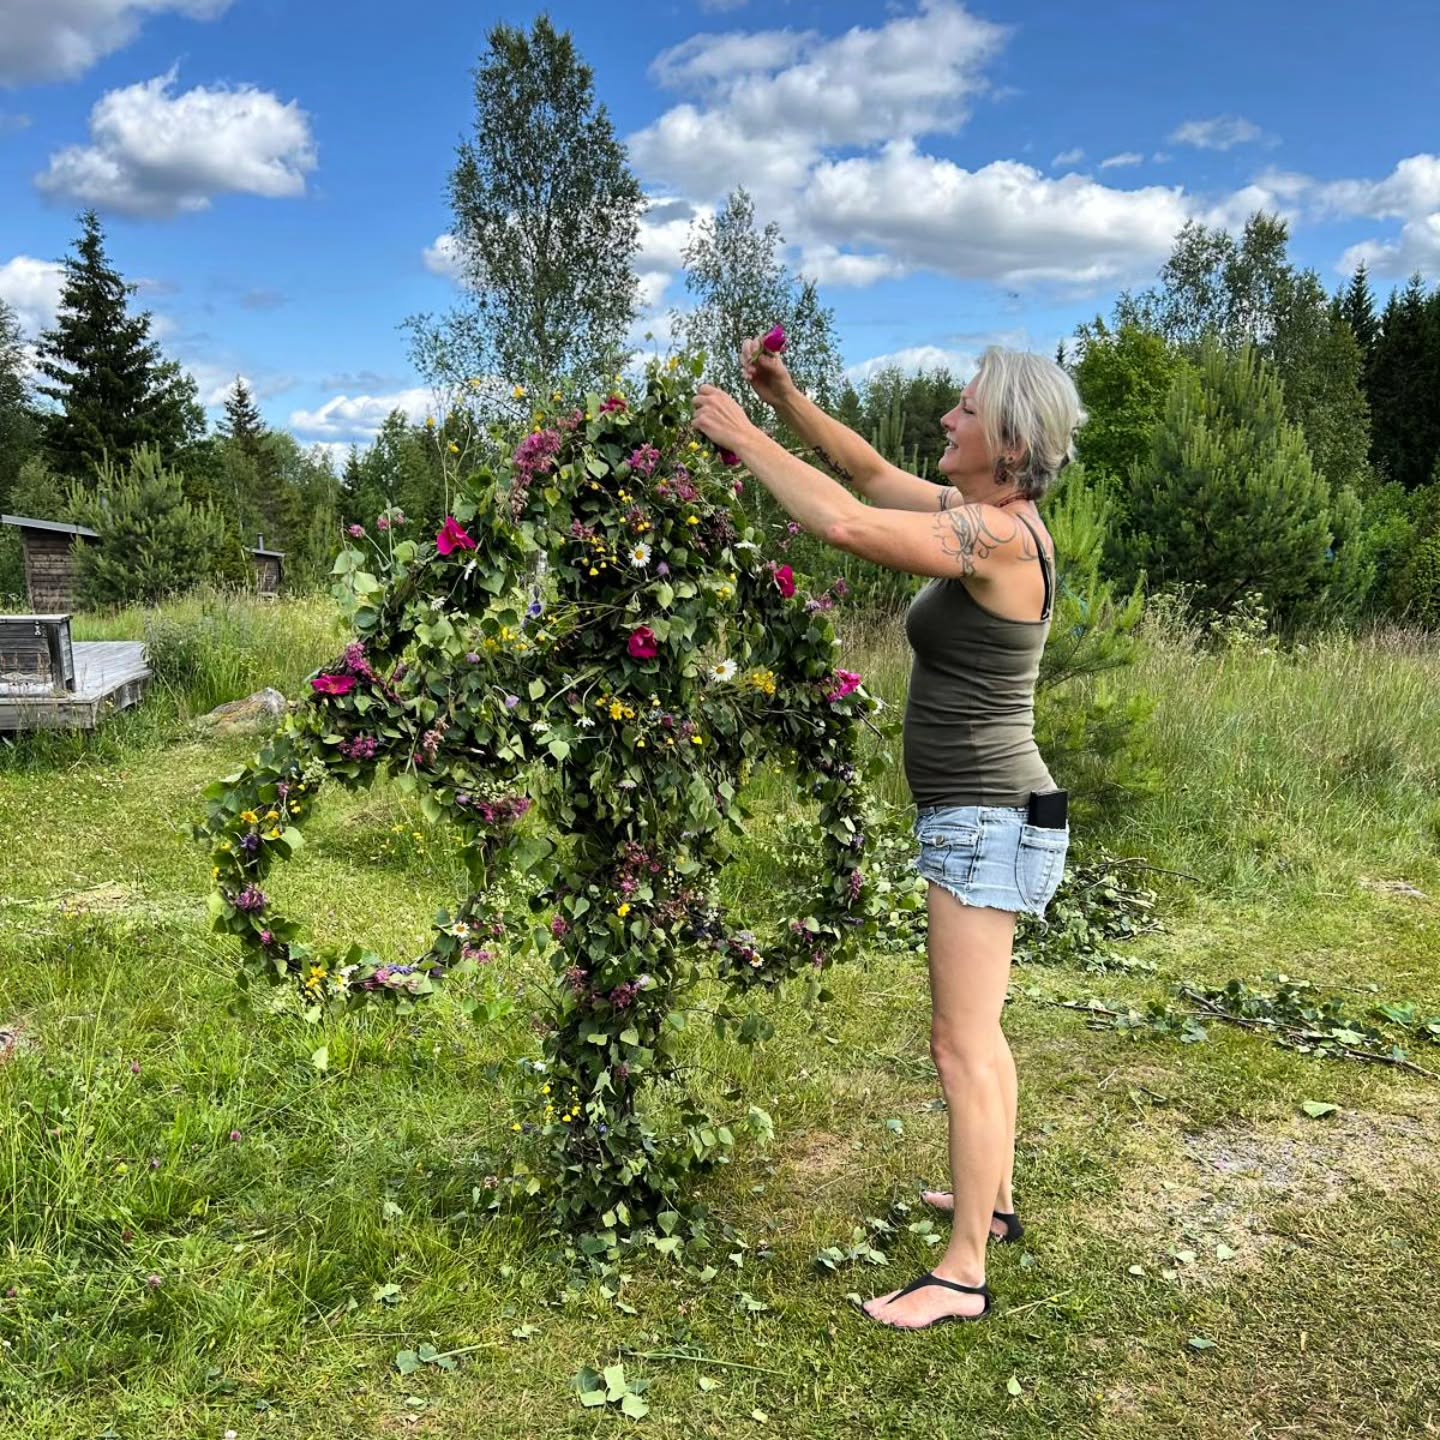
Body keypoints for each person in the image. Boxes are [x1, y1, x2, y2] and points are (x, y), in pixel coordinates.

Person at [692, 341, 1082, 1332]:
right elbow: (863, 474)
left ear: (1008, 441)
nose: (947, 423)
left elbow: (842, 521)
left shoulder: (996, 536)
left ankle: (960, 1276)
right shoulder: (988, 520)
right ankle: (988, 1203)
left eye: (963, 411)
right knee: (978, 1036)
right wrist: (785, 401)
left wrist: (739, 437)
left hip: (985, 816)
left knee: (959, 1043)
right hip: (988, 813)